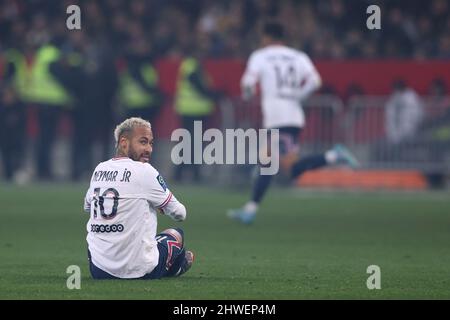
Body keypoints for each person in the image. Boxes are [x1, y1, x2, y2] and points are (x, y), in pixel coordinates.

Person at [228, 22, 359, 225]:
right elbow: (315, 81)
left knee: (278, 166)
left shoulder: (260, 56)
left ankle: (334, 155)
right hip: (294, 116)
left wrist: (247, 93)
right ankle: (250, 210)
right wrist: (297, 96)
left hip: (276, 117)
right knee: (277, 166)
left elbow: (247, 84)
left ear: (266, 37)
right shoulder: (299, 56)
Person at [83, 117, 194, 279]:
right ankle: (175, 267)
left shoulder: (100, 169)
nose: (149, 149)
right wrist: (161, 205)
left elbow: (87, 206)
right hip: (139, 271)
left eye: (151, 143)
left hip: (98, 270)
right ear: (123, 143)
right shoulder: (145, 171)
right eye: (143, 142)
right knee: (176, 234)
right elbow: (180, 214)